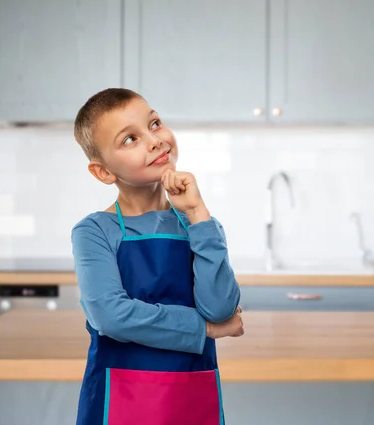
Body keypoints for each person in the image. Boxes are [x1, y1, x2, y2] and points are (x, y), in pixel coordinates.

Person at [71, 88, 244, 425]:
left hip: (193, 394)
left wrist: (197, 212)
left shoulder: (201, 225)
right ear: (103, 172)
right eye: (130, 139)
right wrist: (206, 329)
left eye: (154, 123)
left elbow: (221, 307)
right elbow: (112, 316)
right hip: (119, 399)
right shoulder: (95, 231)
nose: (154, 140)